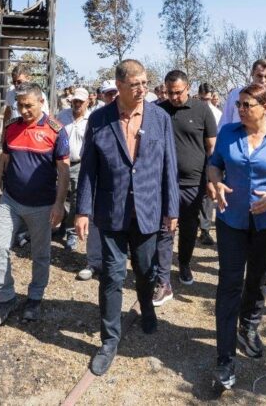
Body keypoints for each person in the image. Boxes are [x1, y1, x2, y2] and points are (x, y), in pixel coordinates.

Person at [75, 59, 180, 377]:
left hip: (148, 211)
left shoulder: (160, 118)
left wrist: (172, 210)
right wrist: (82, 210)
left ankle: (147, 308)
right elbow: (88, 169)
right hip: (111, 212)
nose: (142, 89)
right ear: (119, 86)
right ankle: (109, 341)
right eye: (135, 84)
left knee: (147, 271)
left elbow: (169, 167)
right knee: (112, 276)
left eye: (145, 83)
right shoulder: (99, 119)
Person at [207, 83, 266, 391]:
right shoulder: (228, 134)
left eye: (248, 105)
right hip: (231, 221)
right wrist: (216, 183)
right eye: (239, 104)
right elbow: (214, 166)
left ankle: (248, 326)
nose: (241, 109)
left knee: (259, 281)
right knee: (229, 284)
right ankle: (225, 359)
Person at [0, 83, 69, 327]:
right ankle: (5, 298)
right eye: (20, 105)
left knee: (40, 254)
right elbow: (4, 160)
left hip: (42, 205)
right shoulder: (11, 127)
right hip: (10, 201)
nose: (23, 110)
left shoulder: (55, 130)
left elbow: (63, 171)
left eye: (28, 105)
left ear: (41, 102)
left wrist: (59, 204)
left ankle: (35, 298)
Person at [153, 70, 217, 304]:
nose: (173, 97)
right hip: (165, 182)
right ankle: (163, 280)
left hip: (193, 184)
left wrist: (210, 179)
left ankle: (184, 263)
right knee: (165, 229)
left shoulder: (202, 110)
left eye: (178, 92)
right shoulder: (158, 110)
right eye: (169, 92)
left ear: (188, 88)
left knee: (189, 229)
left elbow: (211, 147)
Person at [56, 87, 91, 252]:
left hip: (80, 163)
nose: (77, 104)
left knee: (76, 197)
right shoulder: (62, 116)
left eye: (80, 101)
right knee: (60, 194)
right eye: (75, 101)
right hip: (61, 162)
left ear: (87, 102)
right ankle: (62, 225)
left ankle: (71, 232)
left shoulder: (91, 118)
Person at [196, 82, 223, 246]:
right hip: (195, 155)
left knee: (208, 195)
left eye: (207, 99)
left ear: (212, 97)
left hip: (211, 156)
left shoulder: (218, 114)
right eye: (202, 99)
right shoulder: (194, 110)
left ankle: (205, 230)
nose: (205, 102)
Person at [219, 59, 266, 127]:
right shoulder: (235, 94)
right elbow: (224, 122)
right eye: (259, 76)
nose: (263, 80)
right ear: (252, 74)